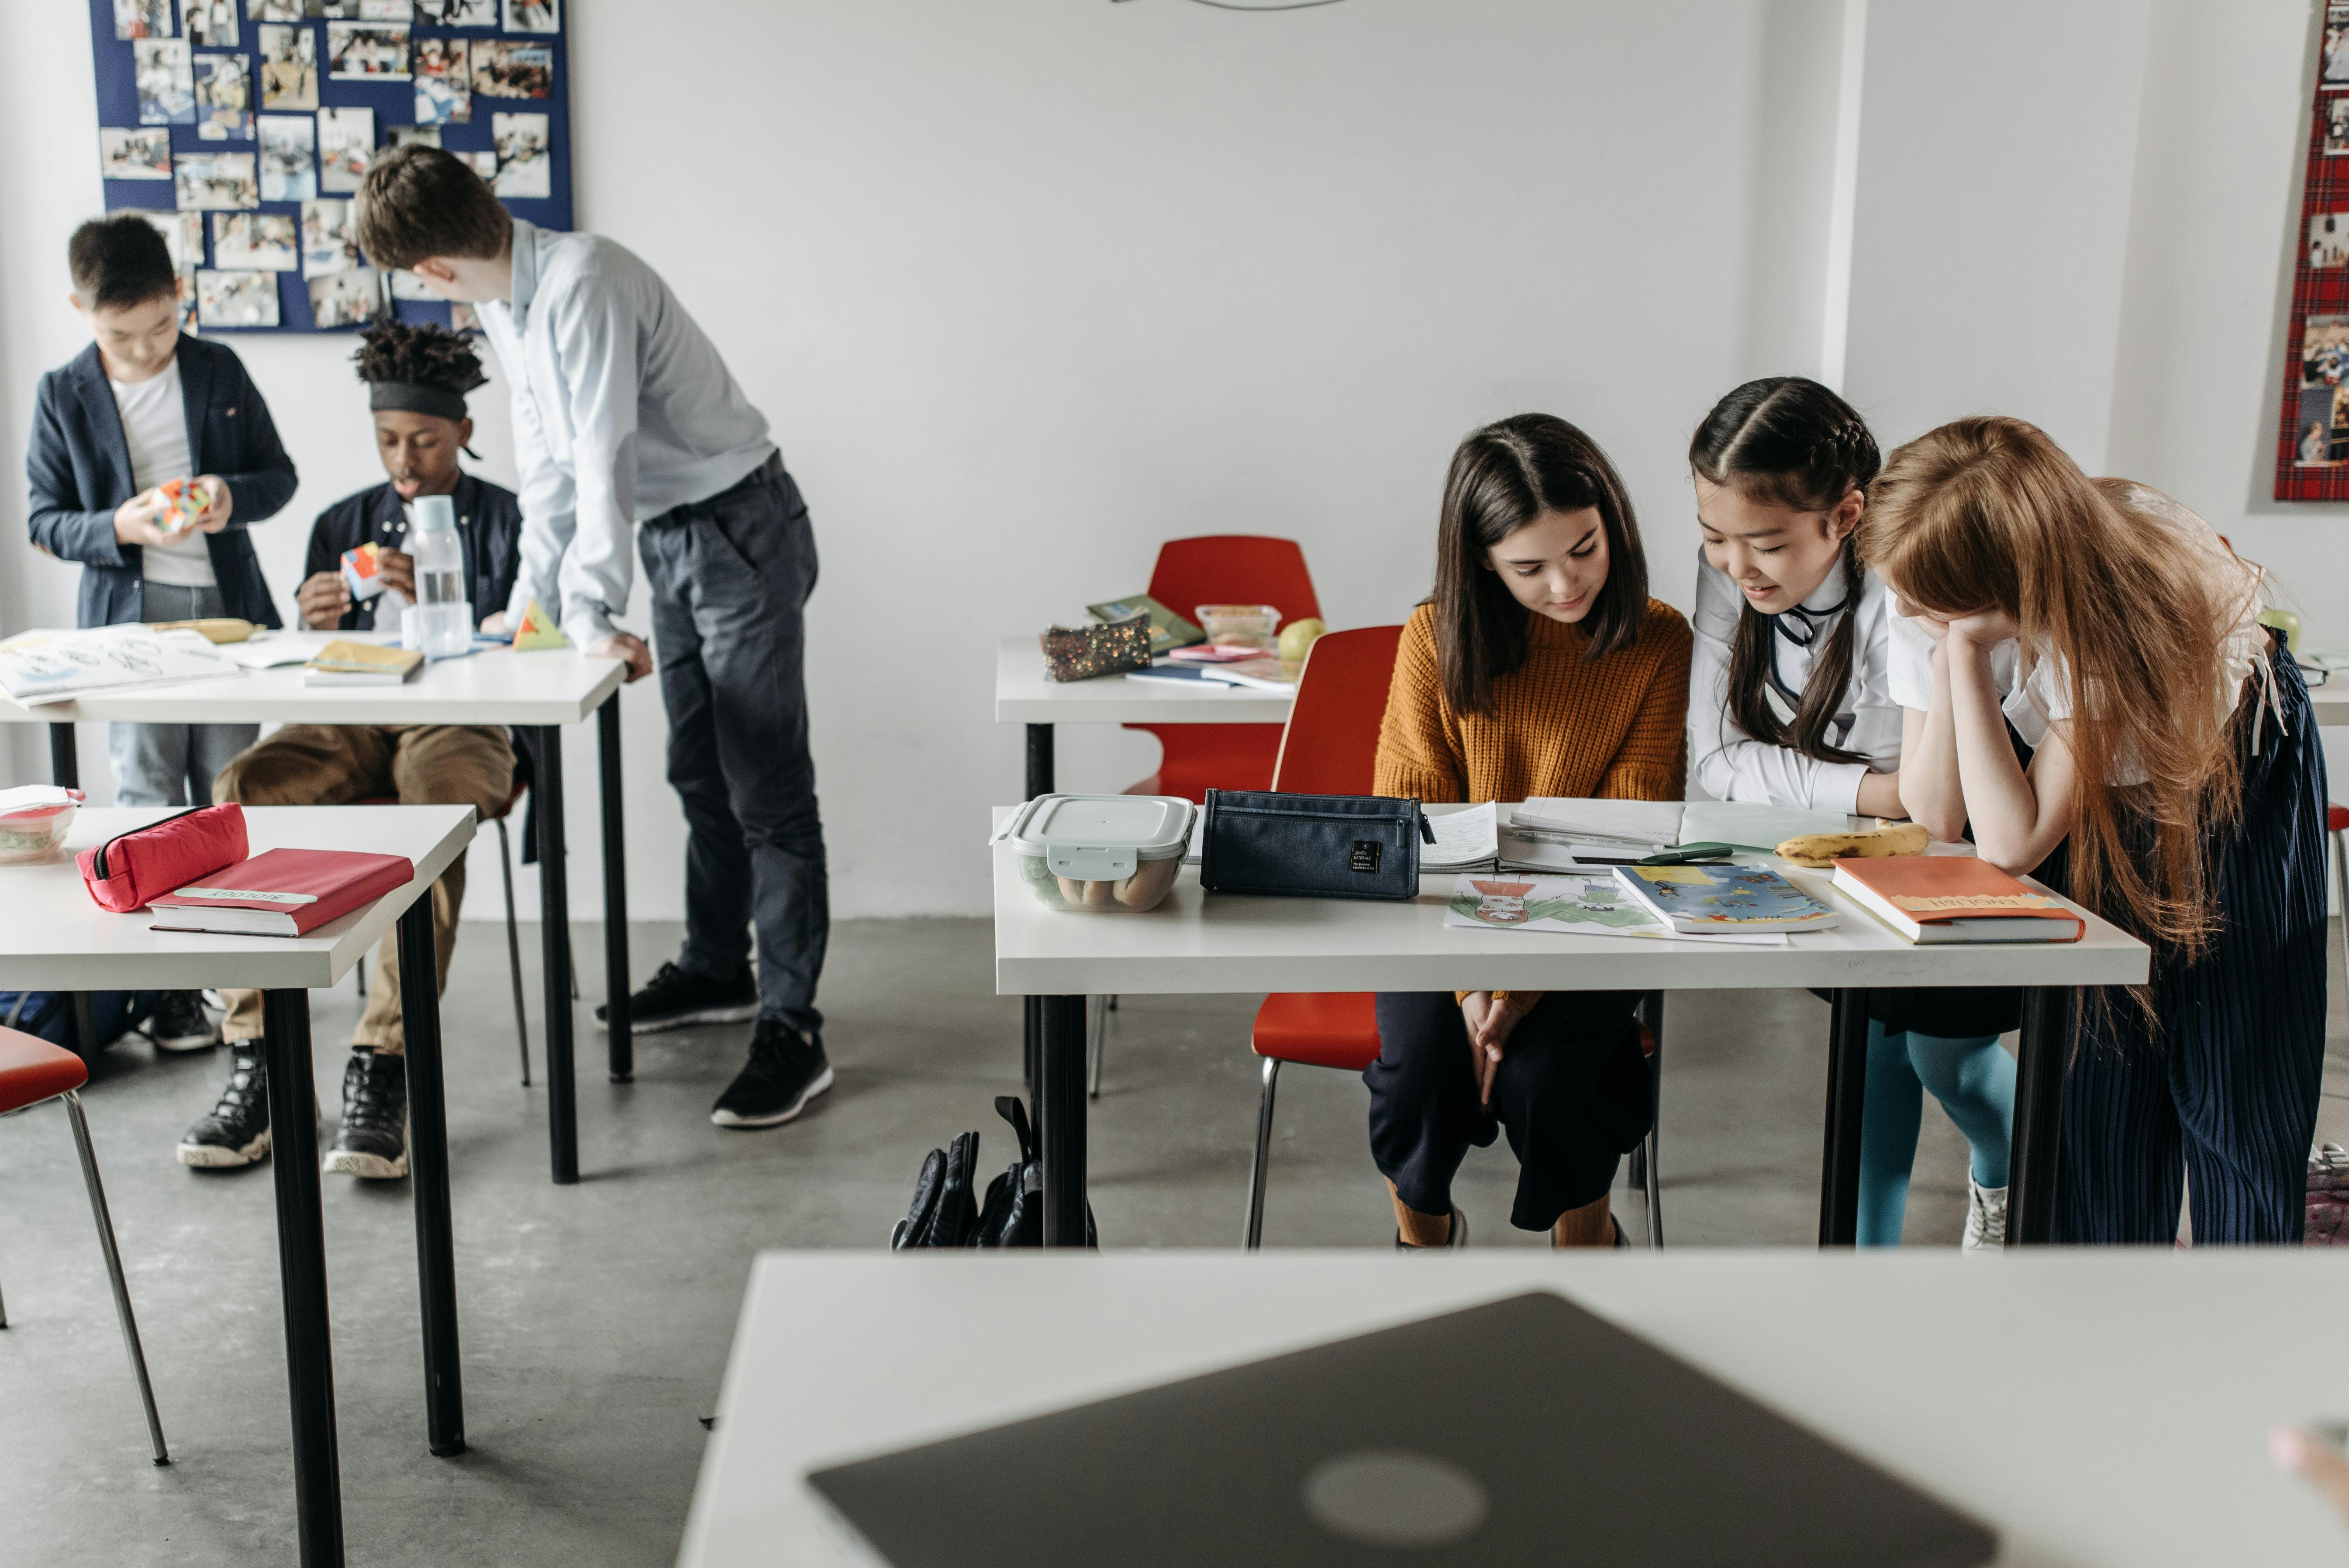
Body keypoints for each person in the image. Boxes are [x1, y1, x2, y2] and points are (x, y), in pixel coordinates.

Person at [354, 145, 832, 1130]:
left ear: (430, 269)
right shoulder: (506, 299)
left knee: (767, 789)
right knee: (697, 770)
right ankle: (716, 969)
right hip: (673, 535)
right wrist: (533, 609)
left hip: (738, 525)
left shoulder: (585, 280)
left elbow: (602, 451)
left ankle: (794, 1029)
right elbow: (548, 471)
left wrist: (587, 610)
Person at [1862, 416, 2327, 1244]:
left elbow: (2012, 842)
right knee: (2099, 1081)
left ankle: (2252, 1327)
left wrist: (1965, 655)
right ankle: (2098, 1323)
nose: (1903, 608)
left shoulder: (2116, 608)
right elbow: (1937, 814)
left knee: (2234, 1083)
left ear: (2009, 588)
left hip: (2236, 773)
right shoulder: (1931, 577)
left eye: (1927, 601)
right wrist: (1952, 649)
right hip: (2093, 788)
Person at [179, 321, 521, 1177]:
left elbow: (534, 641)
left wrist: (452, 598)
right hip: (351, 708)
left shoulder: (510, 518)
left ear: (464, 434)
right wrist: (315, 616)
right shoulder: (341, 519)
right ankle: (259, 1054)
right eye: (387, 441)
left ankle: (386, 1062)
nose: (404, 460)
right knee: (245, 785)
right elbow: (303, 663)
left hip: (462, 716)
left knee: (433, 818)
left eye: (424, 441)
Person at [1687, 377, 2017, 1250]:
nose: (1733, 565)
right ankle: (1862, 1268)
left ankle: (2010, 1180)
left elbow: (1937, 801)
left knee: (1947, 1060)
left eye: (1761, 542)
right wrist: (1873, 790)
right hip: (1852, 851)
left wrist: (1864, 788)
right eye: (1712, 537)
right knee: (1870, 1061)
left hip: (1976, 838)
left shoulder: (1907, 584)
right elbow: (1715, 762)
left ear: (1844, 515)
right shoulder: (1732, 575)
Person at [1370, 414, 1689, 1249]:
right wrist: (1476, 987)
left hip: (1594, 917)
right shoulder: (1432, 640)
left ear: (1610, 520)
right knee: (1422, 1084)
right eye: (1529, 567)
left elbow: (1627, 832)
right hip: (1437, 924)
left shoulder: (1657, 642)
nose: (1565, 584)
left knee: (1551, 1081)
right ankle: (1421, 1232)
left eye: (1584, 548)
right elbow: (1417, 831)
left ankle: (1587, 1235)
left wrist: (1518, 992)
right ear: (1481, 560)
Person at [27, 213, 296, 1056]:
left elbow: (278, 476)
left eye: (161, 327)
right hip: (126, 628)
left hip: (224, 620)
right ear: (79, 307)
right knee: (146, 801)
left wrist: (225, 495)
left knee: (226, 796)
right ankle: (169, 991)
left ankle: (235, 981)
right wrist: (120, 525)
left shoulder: (219, 367)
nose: (146, 349)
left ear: (181, 294)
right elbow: (45, 520)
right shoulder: (62, 391)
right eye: (122, 334)